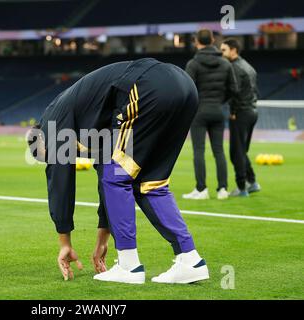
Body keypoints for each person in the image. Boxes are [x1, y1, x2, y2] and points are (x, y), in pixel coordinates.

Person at [27, 58, 209, 284]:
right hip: (184, 87)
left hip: (146, 86)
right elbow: (105, 166)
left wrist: (65, 242)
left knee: (115, 177)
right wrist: (102, 238)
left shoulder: (53, 121)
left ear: (40, 137)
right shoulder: (86, 118)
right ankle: (190, 260)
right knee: (150, 183)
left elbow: (60, 183)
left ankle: (129, 266)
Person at [183, 29, 238, 200]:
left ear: (196, 41)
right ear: (213, 40)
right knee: (219, 151)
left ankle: (201, 190)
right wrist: (220, 102)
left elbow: (187, 90)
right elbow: (234, 89)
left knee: (198, 150)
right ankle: (222, 189)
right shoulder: (225, 63)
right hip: (217, 111)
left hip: (199, 112)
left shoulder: (193, 64)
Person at [221, 38, 261, 196]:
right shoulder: (248, 66)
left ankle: (242, 187)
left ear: (233, 50)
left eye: (223, 50)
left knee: (236, 152)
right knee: (242, 151)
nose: (221, 53)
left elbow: (234, 91)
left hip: (241, 113)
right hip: (252, 111)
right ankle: (252, 182)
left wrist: (233, 111)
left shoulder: (234, 68)